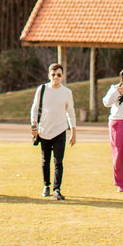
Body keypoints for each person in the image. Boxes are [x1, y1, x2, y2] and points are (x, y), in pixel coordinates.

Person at [29, 62, 77, 201]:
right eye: (53, 75)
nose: (56, 77)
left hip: (60, 130)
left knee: (58, 162)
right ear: (49, 75)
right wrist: (34, 126)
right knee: (45, 160)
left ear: (62, 76)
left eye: (58, 75)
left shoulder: (67, 92)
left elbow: (71, 112)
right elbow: (34, 107)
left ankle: (57, 189)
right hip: (44, 131)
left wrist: (73, 132)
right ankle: (46, 186)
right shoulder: (42, 89)